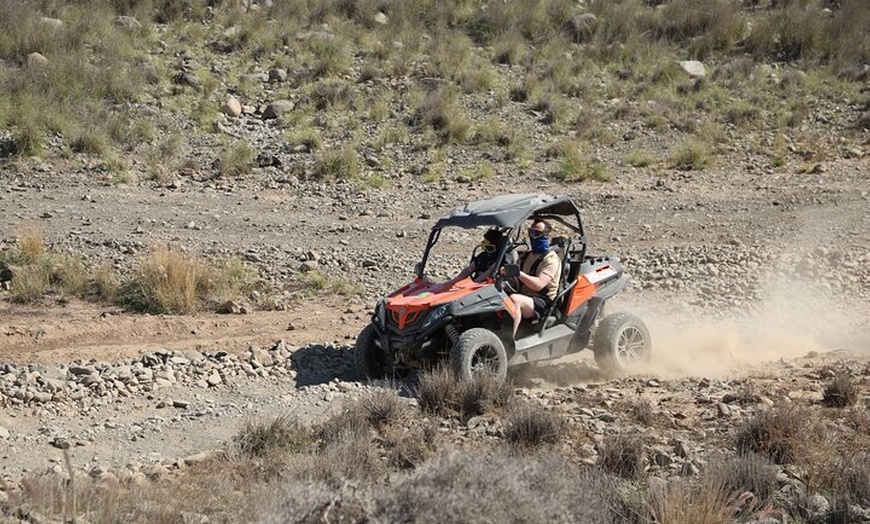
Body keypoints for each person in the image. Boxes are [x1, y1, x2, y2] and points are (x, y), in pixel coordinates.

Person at [509, 218, 561, 338]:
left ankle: (510, 340)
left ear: (546, 235)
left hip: (543, 301)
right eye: (530, 233)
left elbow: (538, 285)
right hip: (526, 295)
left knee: (515, 300)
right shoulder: (527, 255)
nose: (532, 237)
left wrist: (518, 273)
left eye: (536, 233)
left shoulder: (551, 259)